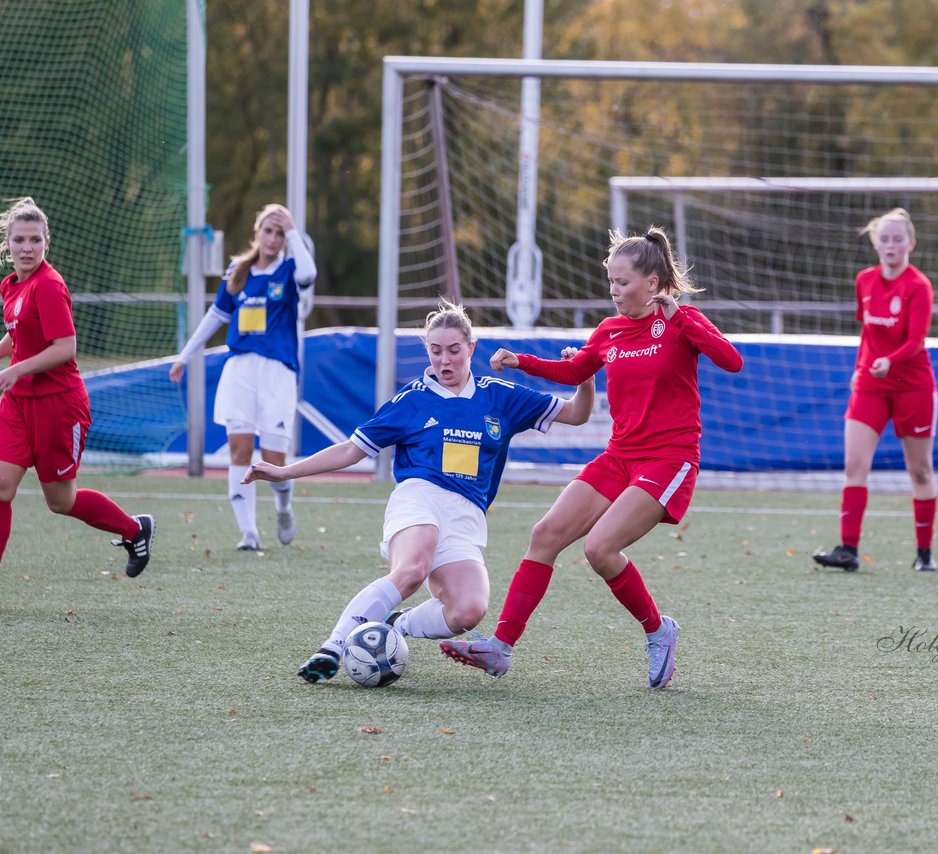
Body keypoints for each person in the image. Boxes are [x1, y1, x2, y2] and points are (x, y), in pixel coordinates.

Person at [440, 226, 744, 690]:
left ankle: (659, 630)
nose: (615, 291)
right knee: (544, 535)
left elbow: (731, 360)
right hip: (619, 455)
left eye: (623, 282)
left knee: (600, 548)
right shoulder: (609, 330)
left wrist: (683, 317)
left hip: (669, 458)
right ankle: (499, 648)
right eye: (611, 282)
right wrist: (522, 360)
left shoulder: (681, 322)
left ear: (654, 283)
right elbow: (577, 369)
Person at [243, 301, 595, 683]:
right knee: (411, 571)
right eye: (435, 350)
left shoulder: (500, 396)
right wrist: (283, 471)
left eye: (454, 350)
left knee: (468, 610)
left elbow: (577, 413)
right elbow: (349, 450)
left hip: (467, 514)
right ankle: (334, 645)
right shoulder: (411, 401)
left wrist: (585, 376)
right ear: (427, 350)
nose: (445, 360)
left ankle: (396, 625)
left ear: (471, 348)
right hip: (419, 497)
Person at [0, 197, 155, 573]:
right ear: (7, 243)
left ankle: (135, 530)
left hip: (58, 406)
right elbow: (18, 338)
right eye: (19, 239)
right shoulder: (10, 286)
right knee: (1, 488)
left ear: (46, 243)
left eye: (35, 240)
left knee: (60, 501)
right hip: (19, 404)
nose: (27, 247)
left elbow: (65, 348)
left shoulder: (49, 286)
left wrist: (17, 370)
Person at [170, 203, 316, 551]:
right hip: (240, 369)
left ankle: (283, 506)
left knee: (274, 459)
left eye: (280, 233)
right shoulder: (238, 270)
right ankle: (248, 532)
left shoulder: (291, 268)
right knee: (240, 448)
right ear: (257, 232)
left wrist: (294, 230)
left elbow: (309, 276)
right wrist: (185, 355)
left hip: (277, 372)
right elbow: (216, 315)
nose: (273, 238)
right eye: (268, 230)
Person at [813, 207, 938, 573]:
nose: (891, 245)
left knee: (920, 471)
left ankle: (925, 553)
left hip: (912, 384)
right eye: (885, 238)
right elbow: (868, 333)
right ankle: (848, 550)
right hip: (871, 383)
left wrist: (891, 362)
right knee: (854, 464)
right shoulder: (865, 280)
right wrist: (860, 368)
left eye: (898, 239)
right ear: (875, 243)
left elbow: (916, 340)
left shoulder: (918, 286)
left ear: (910, 244)